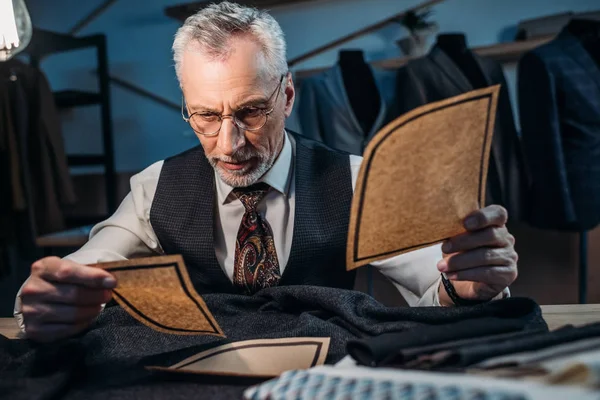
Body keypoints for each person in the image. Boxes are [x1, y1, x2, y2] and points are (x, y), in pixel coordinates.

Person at [14, 2, 518, 343]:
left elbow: (438, 289)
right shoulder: (152, 189)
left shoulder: (359, 180)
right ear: (187, 108)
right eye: (207, 117)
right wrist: (46, 301)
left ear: (288, 97)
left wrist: (466, 284)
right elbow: (78, 275)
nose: (229, 146)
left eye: (251, 112)